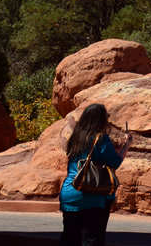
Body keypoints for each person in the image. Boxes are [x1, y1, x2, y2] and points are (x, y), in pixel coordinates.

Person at [59, 102, 131, 245]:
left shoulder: (75, 138)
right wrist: (126, 146)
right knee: (92, 239)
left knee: (70, 239)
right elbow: (115, 162)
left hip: (69, 192)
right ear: (101, 120)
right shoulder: (101, 138)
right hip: (92, 194)